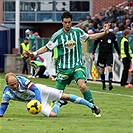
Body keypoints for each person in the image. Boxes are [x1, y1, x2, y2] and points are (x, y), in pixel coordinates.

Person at [23, 11, 110, 117]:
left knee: (82, 86)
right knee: (57, 93)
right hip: (63, 68)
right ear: (62, 22)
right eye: (65, 22)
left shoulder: (77, 32)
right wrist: (34, 53)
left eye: (69, 22)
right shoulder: (57, 35)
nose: (67, 24)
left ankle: (93, 108)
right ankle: (55, 107)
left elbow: (90, 37)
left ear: (71, 22)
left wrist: (104, 33)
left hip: (77, 65)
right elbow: (47, 47)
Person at [0, 72, 100, 117]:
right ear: (7, 84)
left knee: (66, 96)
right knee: (53, 115)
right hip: (35, 101)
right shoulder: (7, 93)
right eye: (12, 85)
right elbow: (4, 104)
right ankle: (58, 104)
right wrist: (1, 113)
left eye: (15, 83)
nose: (15, 86)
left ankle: (92, 106)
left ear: (17, 80)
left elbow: (35, 89)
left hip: (40, 91)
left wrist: (38, 101)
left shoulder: (22, 80)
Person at [92, 21, 121, 90]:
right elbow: (95, 44)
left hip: (109, 54)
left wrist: (119, 53)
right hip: (101, 54)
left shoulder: (112, 35)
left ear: (109, 26)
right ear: (103, 27)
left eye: (107, 26)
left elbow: (116, 45)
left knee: (110, 68)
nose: (106, 27)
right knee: (102, 70)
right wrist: (93, 53)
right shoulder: (100, 34)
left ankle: (110, 84)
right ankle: (104, 84)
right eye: (104, 26)